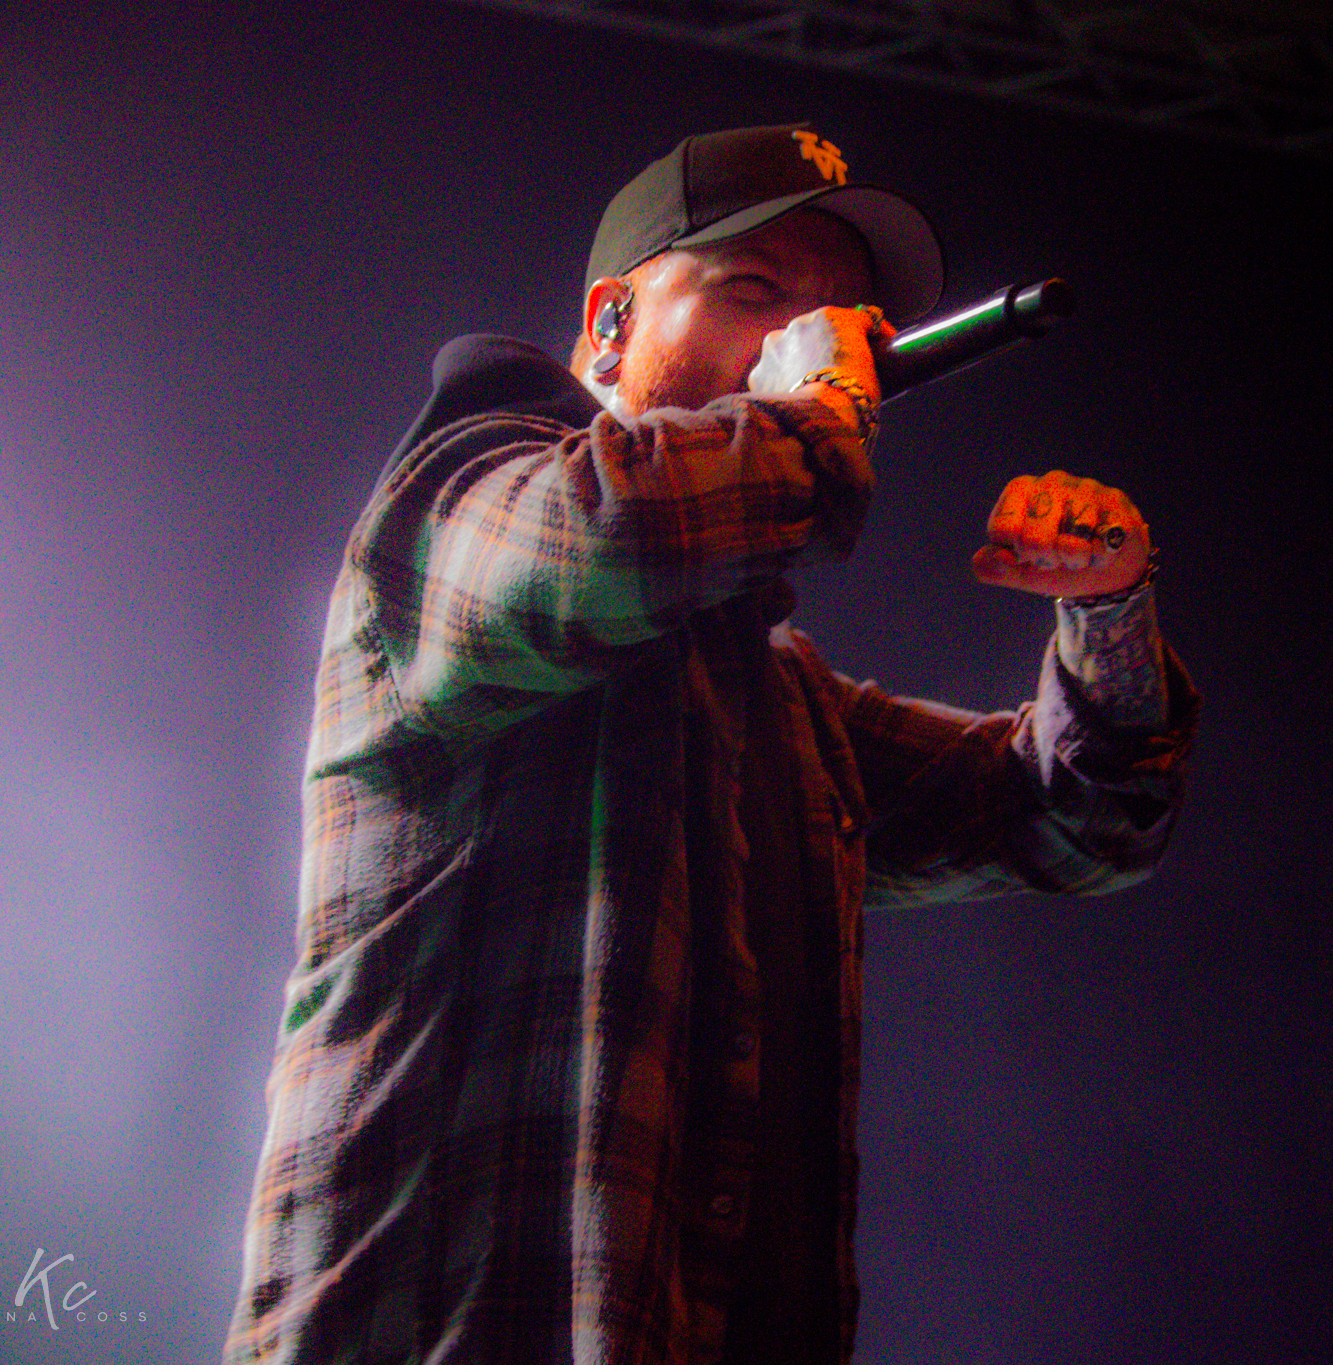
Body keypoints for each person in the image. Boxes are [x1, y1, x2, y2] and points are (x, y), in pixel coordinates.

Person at [225, 123, 1198, 1365]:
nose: (814, 337)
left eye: (843, 318)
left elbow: (1076, 821)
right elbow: (613, 539)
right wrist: (812, 409)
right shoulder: (458, 496)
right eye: (755, 291)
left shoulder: (775, 696)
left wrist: (1109, 609)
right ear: (610, 323)